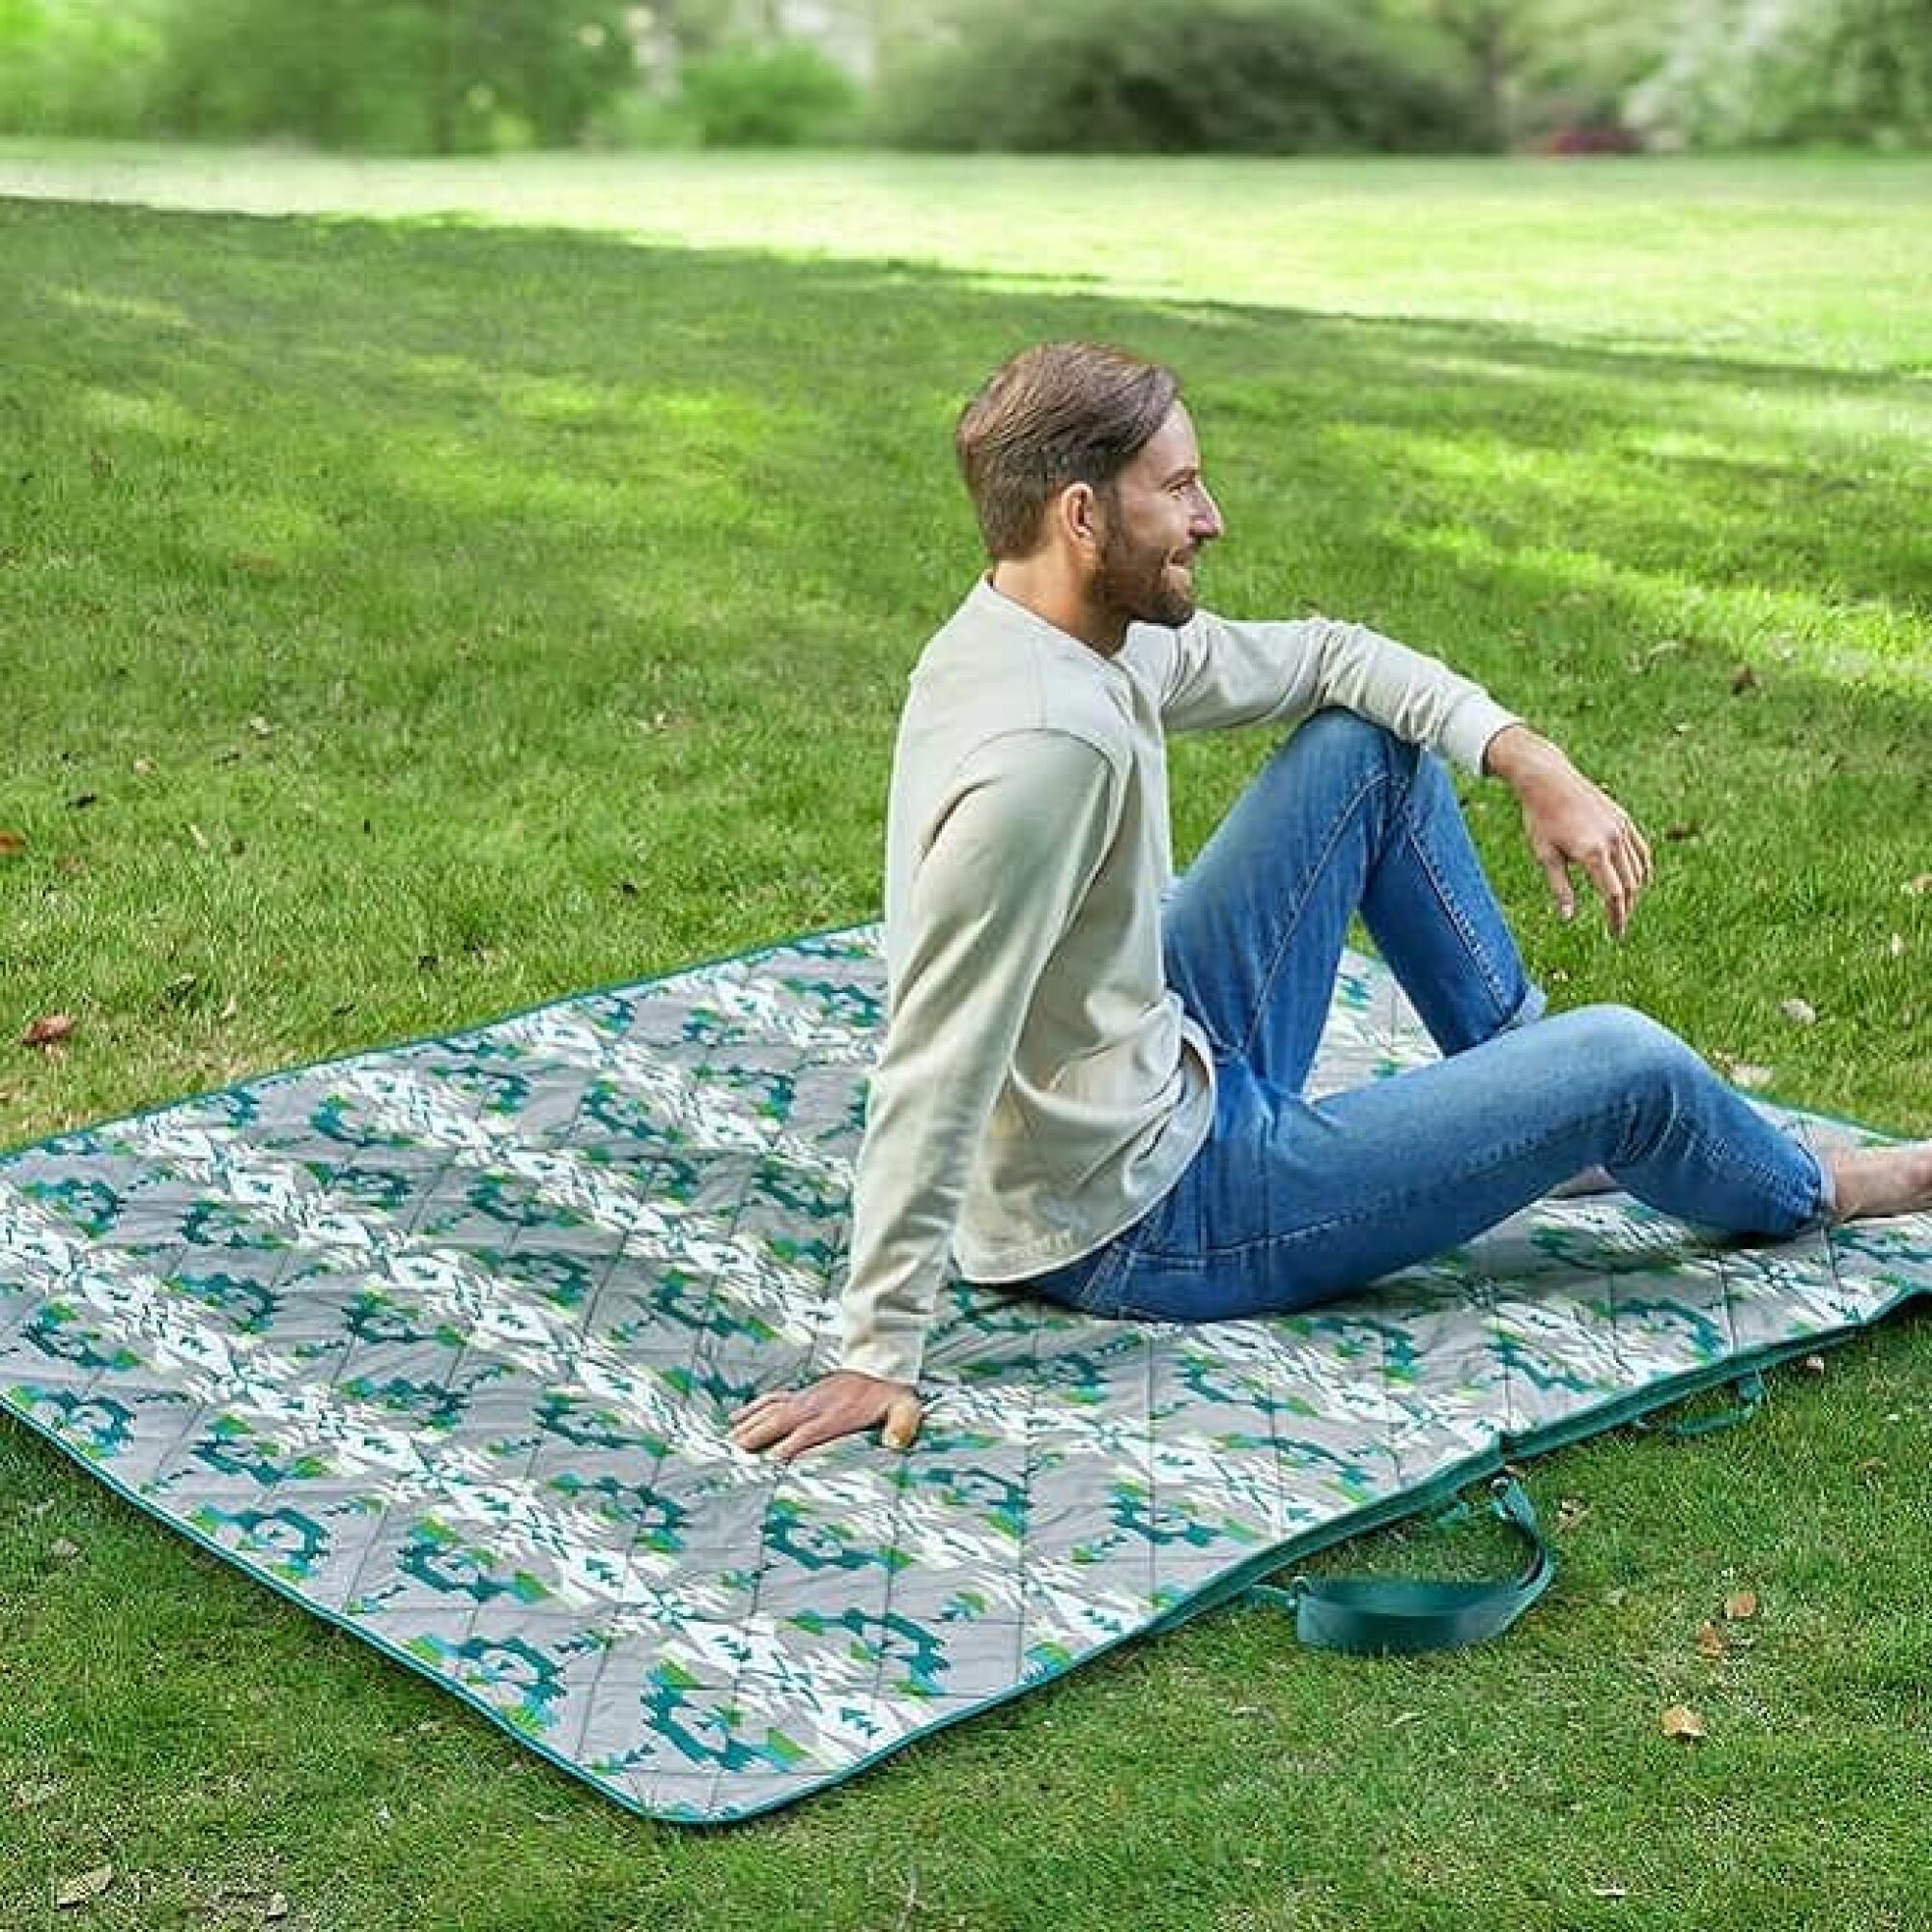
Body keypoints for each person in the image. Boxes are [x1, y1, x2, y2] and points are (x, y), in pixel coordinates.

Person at [730, 340, 1932, 1463]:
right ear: (1082, 516)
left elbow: (1329, 657)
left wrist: (1525, 754)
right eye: (1180, 488)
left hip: (1157, 1055)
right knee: (1625, 1063)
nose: (1211, 518)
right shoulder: (1044, 751)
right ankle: (1817, 1183)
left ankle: (1521, 1098)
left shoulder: (1056, 627)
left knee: (1367, 746)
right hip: (1140, 1215)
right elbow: (934, 1050)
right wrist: (874, 1348)